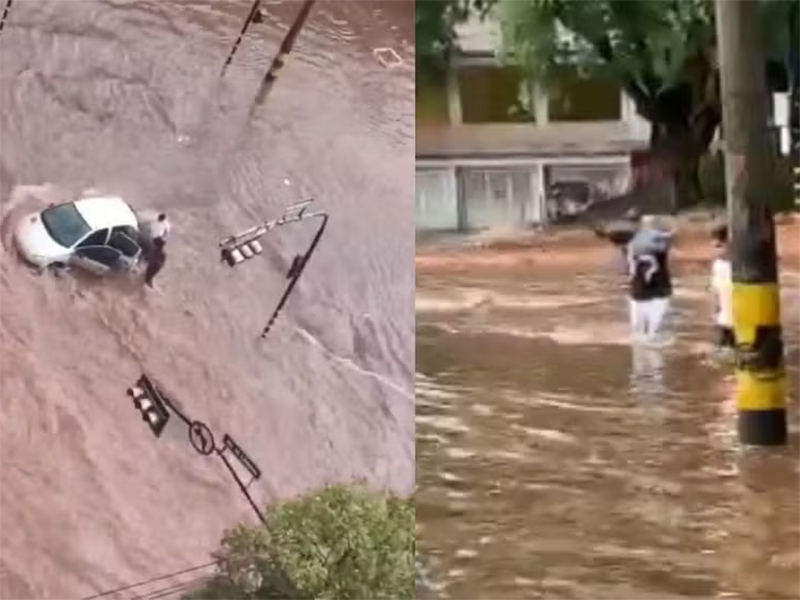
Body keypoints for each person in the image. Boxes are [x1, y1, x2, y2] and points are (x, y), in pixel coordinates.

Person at [626, 214, 674, 341]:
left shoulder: (633, 243)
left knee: (639, 331)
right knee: (653, 330)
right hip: (658, 289)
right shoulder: (660, 244)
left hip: (641, 290)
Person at [710, 224, 735, 348]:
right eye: (715, 247)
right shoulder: (718, 264)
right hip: (725, 320)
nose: (717, 250)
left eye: (719, 246)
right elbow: (716, 294)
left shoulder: (739, 266)